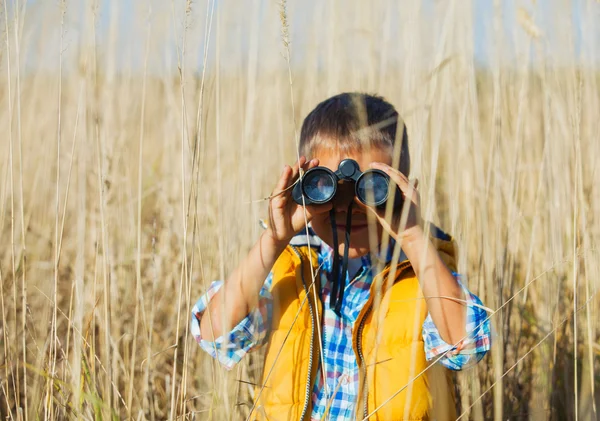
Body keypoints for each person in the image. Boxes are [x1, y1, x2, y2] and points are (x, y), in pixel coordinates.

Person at [191, 93, 491, 421]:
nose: (349, 206)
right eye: (327, 187)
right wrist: (274, 241)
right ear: (305, 187)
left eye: (373, 189)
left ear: (402, 189)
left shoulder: (420, 272)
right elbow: (217, 335)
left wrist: (412, 236)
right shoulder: (292, 267)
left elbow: (469, 346)